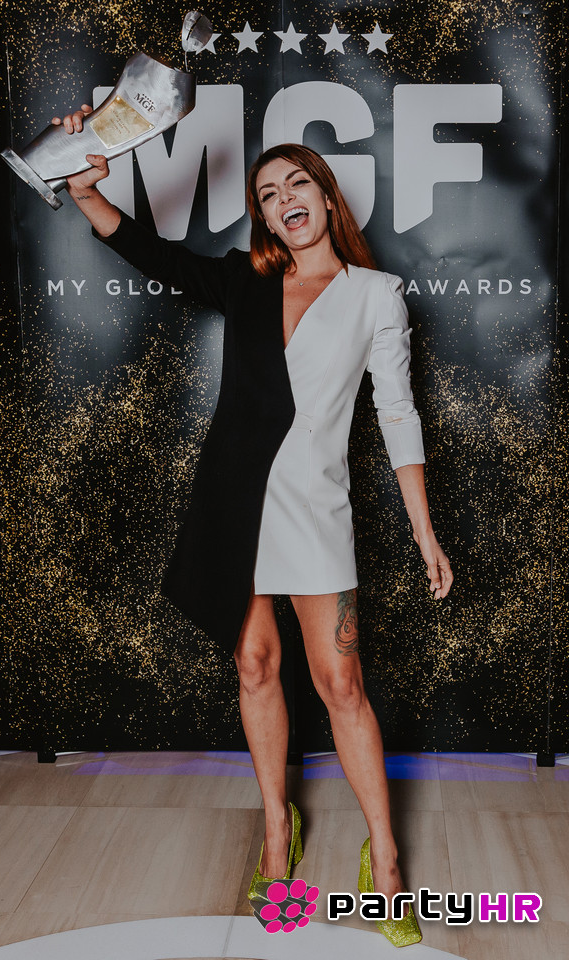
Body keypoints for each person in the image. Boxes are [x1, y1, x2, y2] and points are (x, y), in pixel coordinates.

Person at [53, 105, 453, 947]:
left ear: (327, 196)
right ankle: (278, 832)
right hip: (234, 503)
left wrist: (424, 532)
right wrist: (86, 192)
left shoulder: (376, 295)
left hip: (316, 509)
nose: (283, 200)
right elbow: (154, 254)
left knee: (342, 684)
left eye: (296, 184)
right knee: (254, 664)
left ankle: (385, 861)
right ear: (264, 217)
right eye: (267, 195)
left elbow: (399, 415)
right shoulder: (246, 281)